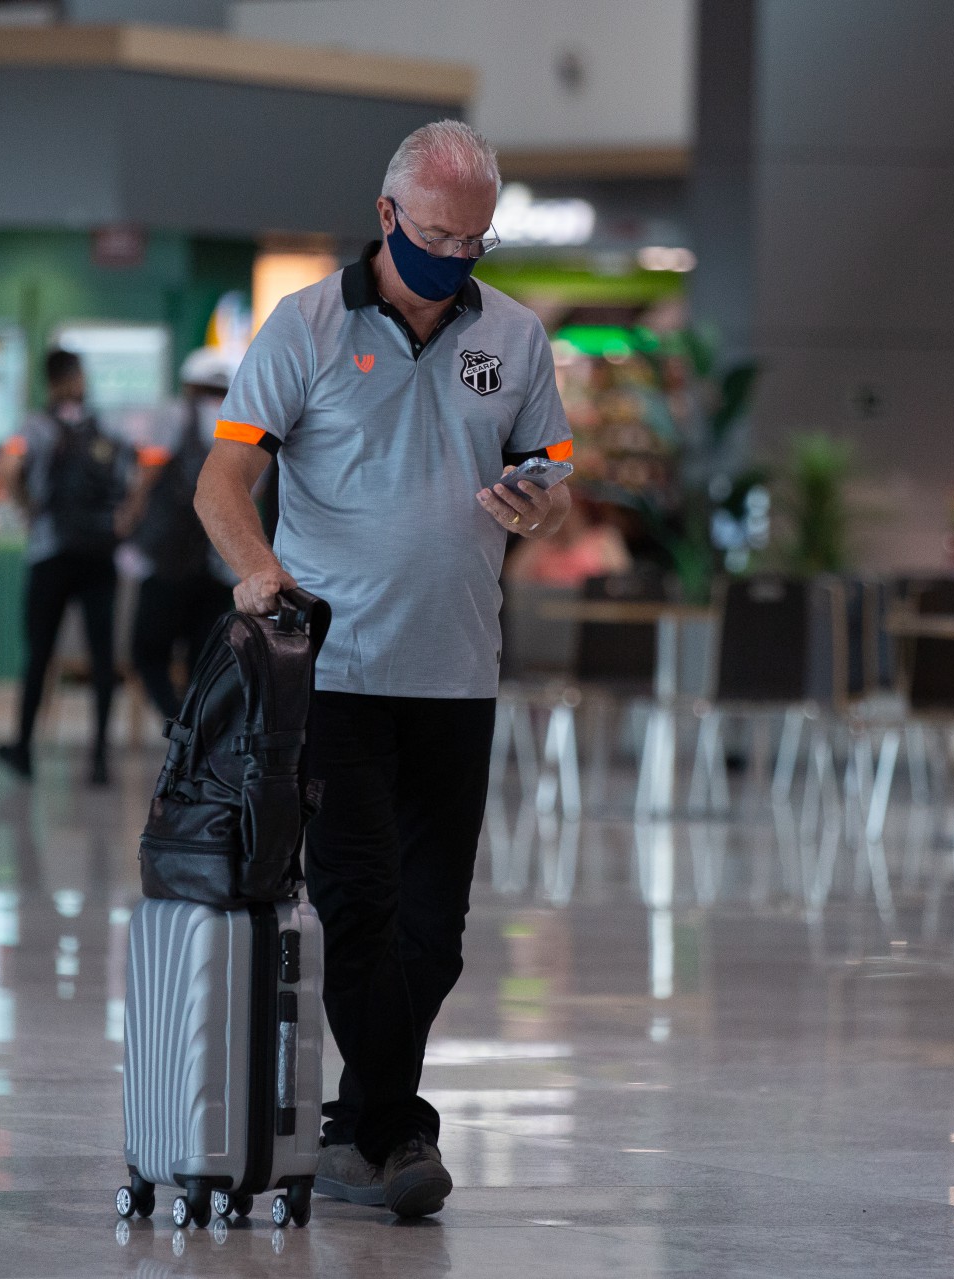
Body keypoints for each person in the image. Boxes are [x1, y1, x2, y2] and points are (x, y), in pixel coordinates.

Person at [194, 121, 574, 1218]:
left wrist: (538, 506)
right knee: (359, 902)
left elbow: (553, 479)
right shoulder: (306, 326)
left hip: (457, 672)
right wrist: (261, 571)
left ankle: (362, 1123)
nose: (453, 257)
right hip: (338, 670)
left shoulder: (514, 337)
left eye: (473, 242)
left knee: (435, 928)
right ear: (387, 216)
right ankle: (397, 1132)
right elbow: (222, 483)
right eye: (437, 236)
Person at [0, 349, 130, 787]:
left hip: (50, 553)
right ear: (78, 377)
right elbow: (131, 474)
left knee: (39, 653)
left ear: (49, 380)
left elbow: (10, 467)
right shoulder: (105, 426)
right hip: (100, 555)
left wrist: (27, 507)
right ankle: (99, 758)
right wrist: (121, 521)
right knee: (102, 657)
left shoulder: (35, 426)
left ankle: (23, 748)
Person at [123, 347, 236, 720]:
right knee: (203, 658)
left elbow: (149, 470)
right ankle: (196, 728)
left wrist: (130, 515)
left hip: (169, 559)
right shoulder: (242, 422)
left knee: (148, 652)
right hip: (220, 559)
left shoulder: (173, 415)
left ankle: (177, 722)